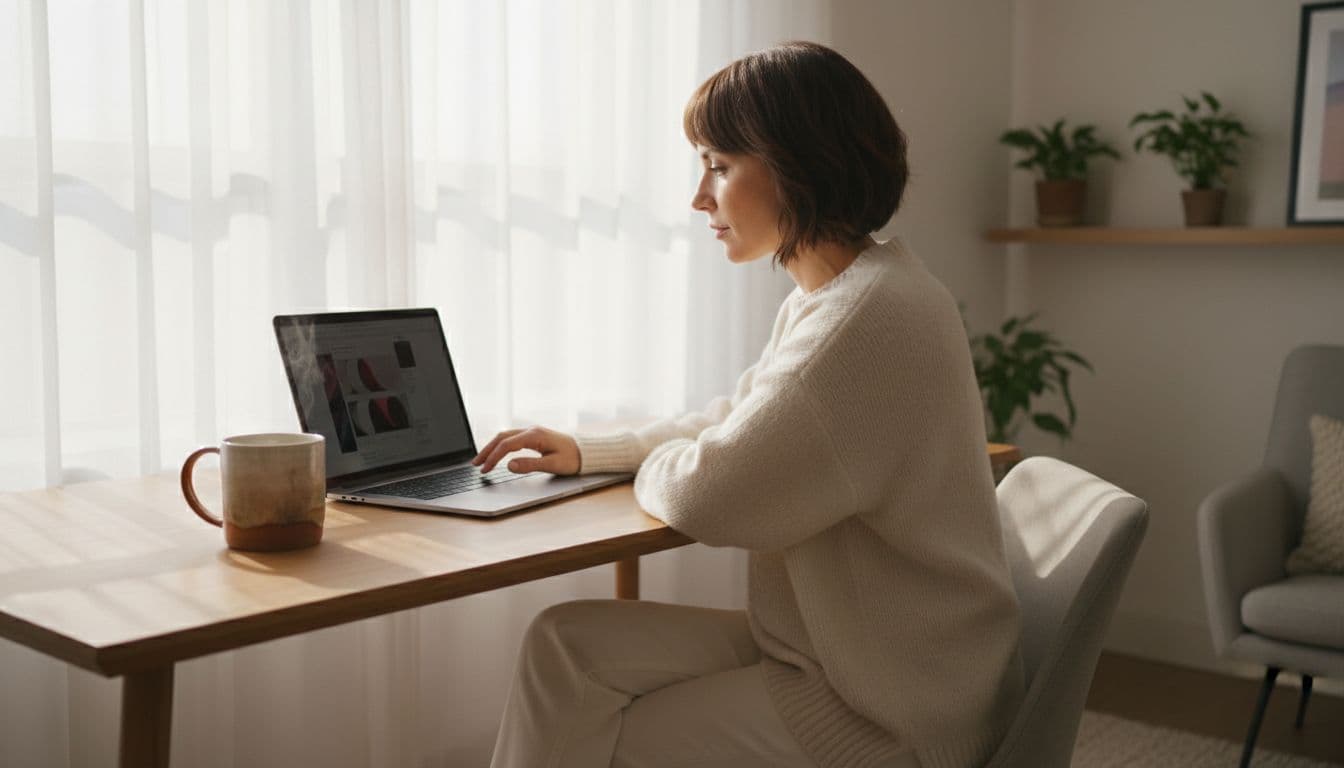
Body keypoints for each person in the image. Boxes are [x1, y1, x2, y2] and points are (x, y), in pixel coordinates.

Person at [477, 41, 1024, 768]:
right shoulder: (853, 290)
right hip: (851, 652)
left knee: (598, 732)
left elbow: (708, 495)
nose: (699, 197)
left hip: (888, 707)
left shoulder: (860, 322)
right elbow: (732, 420)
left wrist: (667, 465)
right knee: (565, 645)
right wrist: (592, 452)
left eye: (718, 165)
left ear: (799, 164)